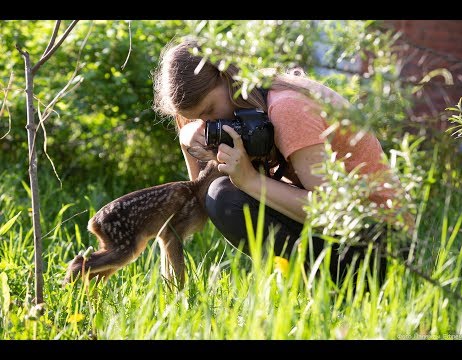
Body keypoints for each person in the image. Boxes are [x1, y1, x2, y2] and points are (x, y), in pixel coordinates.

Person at [152, 38, 410, 281]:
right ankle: (312, 283)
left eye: (208, 112)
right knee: (218, 193)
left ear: (225, 77)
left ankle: (337, 285)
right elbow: (197, 192)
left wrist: (251, 181)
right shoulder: (251, 105)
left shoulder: (286, 107)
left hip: (382, 247)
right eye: (199, 120)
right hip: (350, 236)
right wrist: (188, 136)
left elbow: (332, 208)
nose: (208, 124)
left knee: (225, 199)